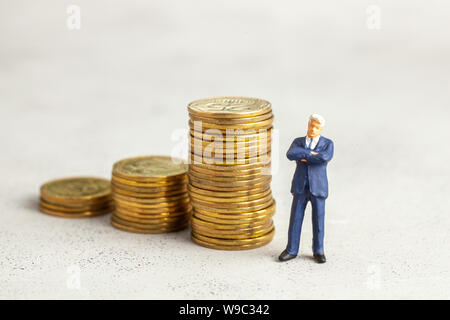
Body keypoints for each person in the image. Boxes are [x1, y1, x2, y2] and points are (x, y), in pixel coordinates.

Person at [279, 114, 334, 263]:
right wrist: (311, 154)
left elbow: (324, 157)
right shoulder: (298, 141)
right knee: (295, 219)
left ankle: (318, 251)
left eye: (316, 127)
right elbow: (291, 154)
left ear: (321, 129)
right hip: (300, 186)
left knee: (318, 221)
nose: (313, 129)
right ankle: (291, 249)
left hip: (318, 187)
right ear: (308, 125)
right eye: (311, 126)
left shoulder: (328, 143)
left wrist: (303, 156)